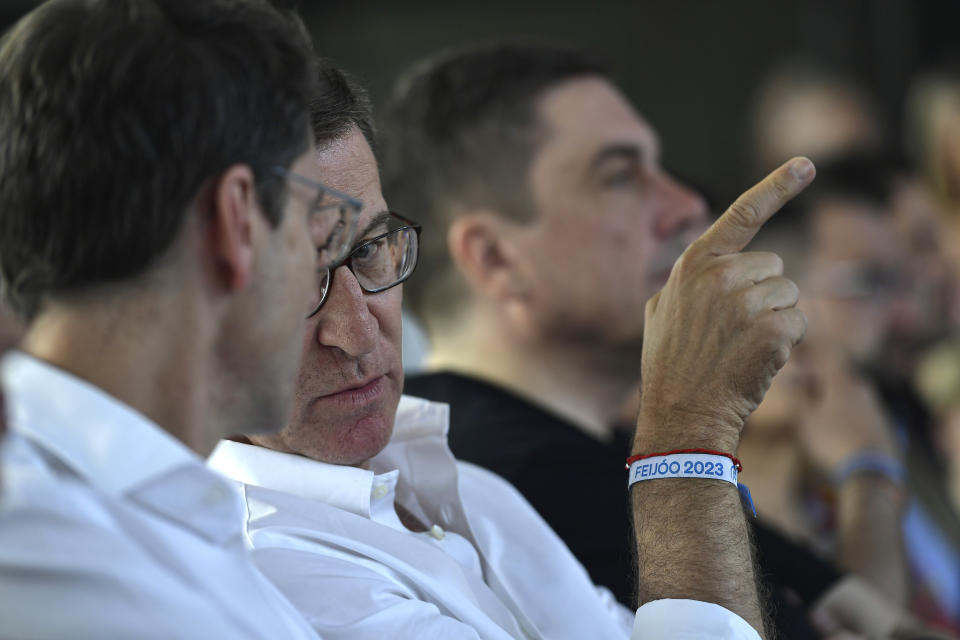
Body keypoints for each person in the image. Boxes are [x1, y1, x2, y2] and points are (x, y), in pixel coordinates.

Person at [208, 54, 815, 638]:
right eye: (291, 282)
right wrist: (689, 433)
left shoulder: (466, 486)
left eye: (367, 249)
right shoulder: (268, 575)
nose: (357, 332)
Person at [381, 42, 934, 639]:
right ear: (494, 258)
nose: (686, 205)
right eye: (620, 175)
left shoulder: (605, 453)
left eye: (659, 167)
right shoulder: (490, 492)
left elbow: (870, 623)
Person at [0, 1, 361, 637]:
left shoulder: (159, 511)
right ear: (239, 221)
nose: (319, 272)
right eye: (317, 228)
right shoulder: (55, 556)